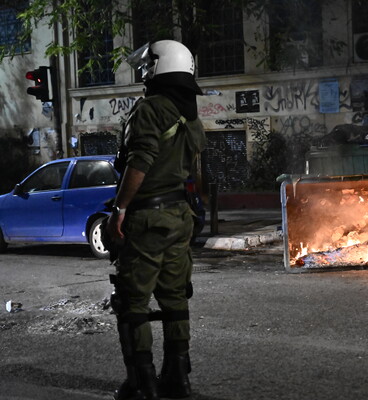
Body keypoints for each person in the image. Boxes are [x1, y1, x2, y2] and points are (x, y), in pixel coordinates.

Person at [106, 40, 206, 400]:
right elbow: (193, 171)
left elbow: (140, 162)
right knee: (175, 297)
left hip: (147, 217)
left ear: (160, 68)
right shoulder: (191, 116)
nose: (144, 73)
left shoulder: (150, 109)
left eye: (148, 67)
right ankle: (177, 377)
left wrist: (119, 208)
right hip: (180, 215)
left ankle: (141, 383)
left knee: (132, 302)